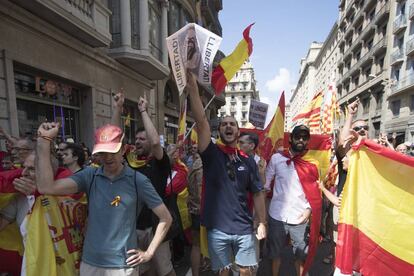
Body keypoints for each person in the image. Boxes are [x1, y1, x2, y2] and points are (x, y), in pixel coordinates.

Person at [34, 122, 172, 276]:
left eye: (113, 151)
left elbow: (165, 218)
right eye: (103, 152)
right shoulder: (89, 175)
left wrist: (149, 252)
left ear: (124, 149)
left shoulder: (137, 180)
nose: (108, 157)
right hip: (90, 262)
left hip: (122, 266)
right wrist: (43, 141)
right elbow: (46, 187)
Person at [186, 72, 267, 276]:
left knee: (246, 272)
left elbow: (258, 193)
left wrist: (263, 222)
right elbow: (201, 120)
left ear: (238, 132)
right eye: (224, 124)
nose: (228, 126)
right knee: (223, 273)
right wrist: (193, 89)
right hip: (218, 231)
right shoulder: (211, 154)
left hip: (244, 230)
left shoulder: (248, 161)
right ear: (219, 131)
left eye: (232, 124)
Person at [112, 92, 176, 276]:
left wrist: (143, 111)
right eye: (136, 139)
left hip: (156, 226)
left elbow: (156, 142)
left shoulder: (159, 162)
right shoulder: (128, 160)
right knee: (142, 271)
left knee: (164, 270)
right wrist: (118, 108)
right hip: (132, 227)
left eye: (143, 138)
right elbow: (114, 138)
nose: (138, 141)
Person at [265, 125, 322, 276]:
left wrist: (309, 210)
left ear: (308, 140)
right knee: (275, 254)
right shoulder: (277, 159)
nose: (301, 140)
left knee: (301, 256)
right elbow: (265, 184)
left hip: (300, 218)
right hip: (277, 216)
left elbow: (316, 192)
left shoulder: (313, 163)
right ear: (291, 138)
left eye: (304, 138)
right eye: (298, 137)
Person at [187, 145, 203, 276]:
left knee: (196, 244)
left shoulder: (194, 163)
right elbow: (200, 191)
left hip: (194, 209)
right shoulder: (201, 165)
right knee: (198, 244)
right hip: (202, 211)